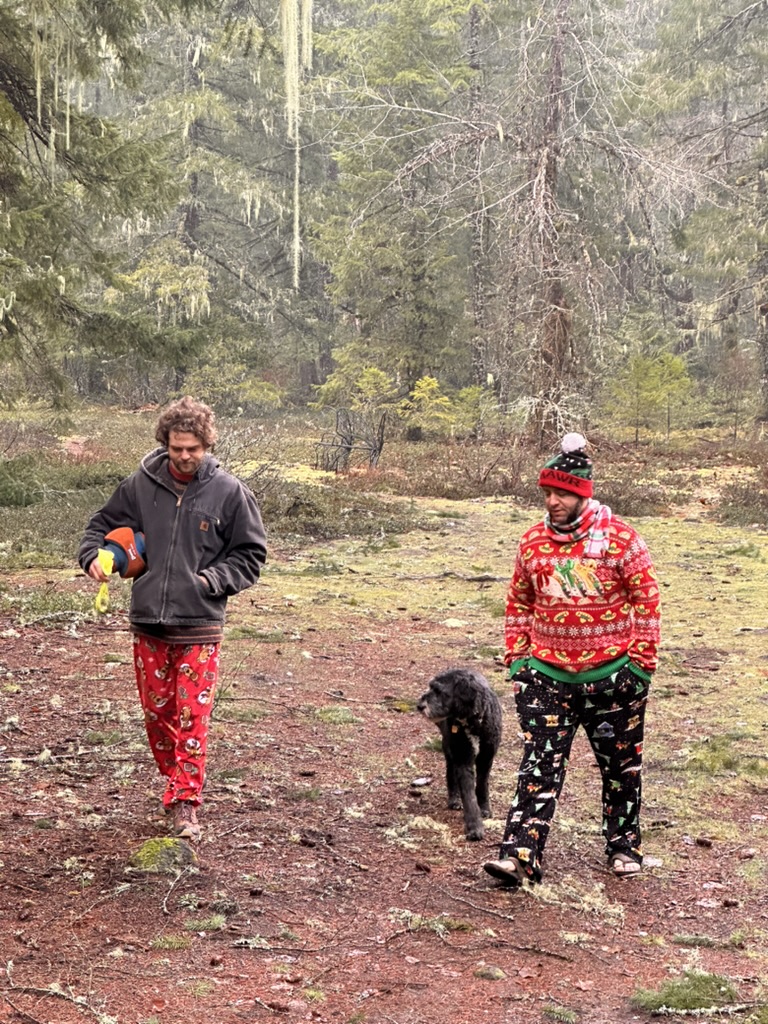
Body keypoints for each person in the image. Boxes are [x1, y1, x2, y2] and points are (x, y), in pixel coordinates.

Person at [79, 397, 267, 842]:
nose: (184, 456)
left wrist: (209, 581)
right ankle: (175, 784)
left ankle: (186, 803)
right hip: (148, 623)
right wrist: (92, 557)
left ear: (207, 445)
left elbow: (250, 554)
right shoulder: (139, 485)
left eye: (193, 449)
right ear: (165, 443)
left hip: (200, 624)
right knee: (158, 716)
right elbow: (100, 525)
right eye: (177, 448)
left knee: (192, 718)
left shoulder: (230, 492)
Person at [483, 433, 660, 886]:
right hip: (546, 678)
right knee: (538, 767)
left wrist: (640, 666)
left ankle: (624, 847)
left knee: (621, 769)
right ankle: (519, 856)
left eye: (561, 493)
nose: (552, 502)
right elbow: (518, 602)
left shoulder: (622, 539)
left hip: (613, 679)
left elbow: (647, 599)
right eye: (547, 493)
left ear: (583, 493)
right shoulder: (532, 543)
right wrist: (518, 662)